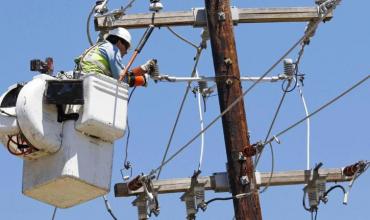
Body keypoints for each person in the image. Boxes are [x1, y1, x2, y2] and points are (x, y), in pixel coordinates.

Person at [75, 27, 155, 87]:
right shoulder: (113, 49)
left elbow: (124, 74)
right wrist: (142, 80)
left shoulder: (101, 47)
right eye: (126, 47)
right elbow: (121, 79)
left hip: (82, 80)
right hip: (94, 80)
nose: (126, 52)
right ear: (119, 42)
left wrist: (143, 68)